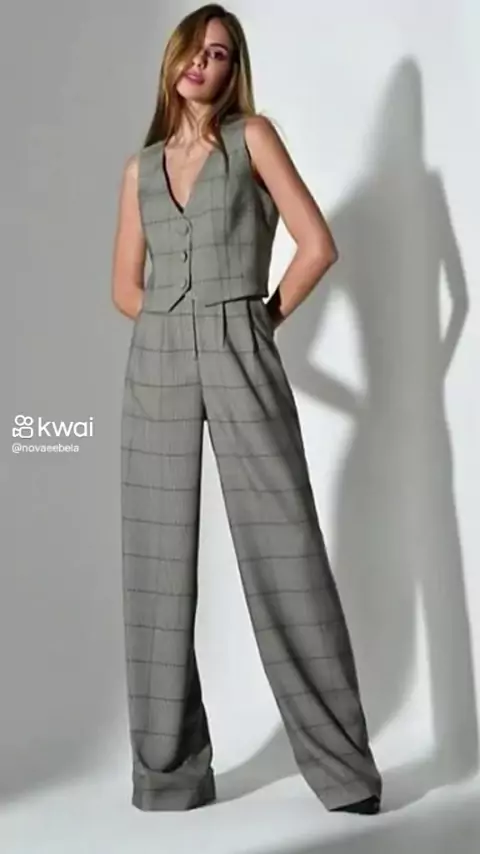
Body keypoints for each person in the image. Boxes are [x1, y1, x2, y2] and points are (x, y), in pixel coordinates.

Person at [111, 3, 383, 815]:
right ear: (173, 62)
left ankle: (343, 771)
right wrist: (173, 325)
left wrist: (256, 320)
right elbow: (124, 286)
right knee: (156, 566)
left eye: (220, 53)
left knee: (285, 546)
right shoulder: (139, 168)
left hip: (240, 338)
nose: (204, 63)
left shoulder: (252, 137)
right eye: (193, 50)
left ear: (234, 71)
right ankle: (169, 775)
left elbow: (316, 244)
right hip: (157, 359)